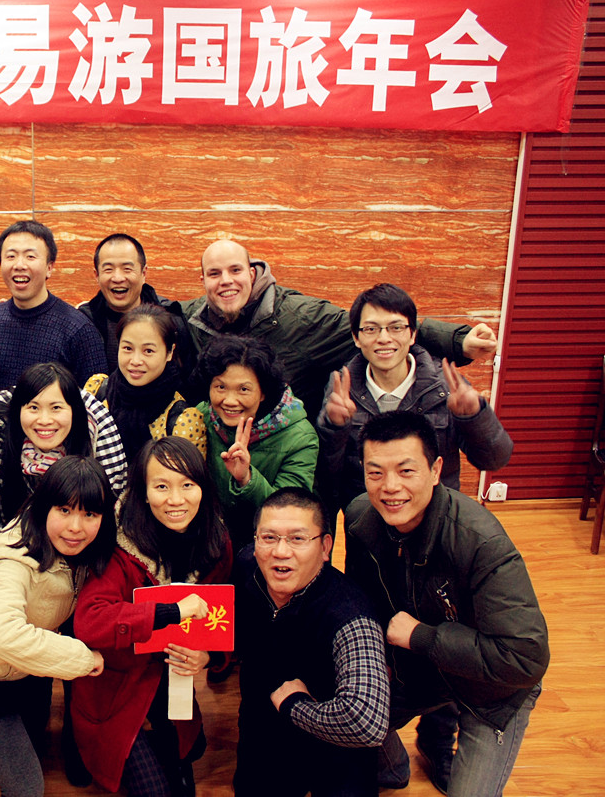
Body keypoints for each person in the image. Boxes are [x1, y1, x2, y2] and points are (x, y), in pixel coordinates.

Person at [344, 412, 548, 797]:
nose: (390, 487)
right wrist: (371, 662)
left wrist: (420, 637)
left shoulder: (480, 541)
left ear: (436, 470)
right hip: (419, 668)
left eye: (406, 471)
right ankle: (392, 769)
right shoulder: (360, 518)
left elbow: (524, 658)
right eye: (375, 473)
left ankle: (441, 743)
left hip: (491, 689)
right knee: (341, 708)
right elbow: (360, 602)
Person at [71, 436, 231, 797]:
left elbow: (224, 620)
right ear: (143, 493)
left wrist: (209, 657)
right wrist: (171, 611)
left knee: (189, 757)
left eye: (187, 485)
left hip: (172, 679)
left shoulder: (216, 542)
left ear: (203, 488)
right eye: (161, 486)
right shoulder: (118, 546)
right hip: (117, 684)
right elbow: (90, 622)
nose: (175, 499)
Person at [178, 239, 498, 418]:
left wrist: (459, 340)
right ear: (203, 280)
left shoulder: (302, 318)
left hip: (292, 449)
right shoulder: (191, 319)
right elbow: (155, 320)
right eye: (215, 274)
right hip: (220, 447)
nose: (226, 281)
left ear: (251, 272)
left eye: (235, 270)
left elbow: (375, 326)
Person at [0, 456, 116, 797]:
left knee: (36, 746)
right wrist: (83, 657)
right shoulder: (14, 558)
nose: (76, 527)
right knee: (27, 788)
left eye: (89, 514)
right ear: (44, 506)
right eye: (64, 510)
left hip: (32, 674)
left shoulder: (83, 547)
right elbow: (3, 636)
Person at [233, 488, 389, 797]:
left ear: (325, 546)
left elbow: (367, 723)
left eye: (297, 538)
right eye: (268, 537)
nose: (280, 551)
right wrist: (210, 656)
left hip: (334, 743)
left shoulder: (350, 614)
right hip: (263, 728)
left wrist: (295, 706)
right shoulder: (247, 570)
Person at [317, 282, 513, 511]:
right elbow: (327, 475)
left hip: (435, 515)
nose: (384, 338)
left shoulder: (444, 387)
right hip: (369, 517)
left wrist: (473, 417)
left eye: (396, 327)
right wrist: (335, 427)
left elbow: (494, 460)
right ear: (356, 337)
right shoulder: (341, 389)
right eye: (371, 329)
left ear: (412, 335)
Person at [0, 362, 127, 535]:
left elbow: (107, 516)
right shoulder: (0, 432)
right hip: (16, 539)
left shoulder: (95, 433)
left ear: (74, 411)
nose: (44, 420)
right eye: (33, 408)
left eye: (56, 408)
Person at [197, 334, 318, 547]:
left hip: (268, 547)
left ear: (263, 392)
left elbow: (291, 511)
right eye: (220, 387)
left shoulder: (300, 437)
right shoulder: (202, 417)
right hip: (209, 543)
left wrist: (247, 479)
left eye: (243, 389)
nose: (230, 401)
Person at [0, 220, 108, 390]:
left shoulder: (79, 329)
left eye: (30, 256)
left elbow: (95, 397)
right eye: (11, 256)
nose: (19, 265)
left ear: (49, 268)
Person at [84, 304, 208, 462]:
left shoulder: (183, 421)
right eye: (128, 348)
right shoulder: (96, 390)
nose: (135, 361)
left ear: (169, 352)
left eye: (148, 351)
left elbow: (187, 476)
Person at [78, 233, 190, 369]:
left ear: (144, 273)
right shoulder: (82, 322)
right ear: (96, 275)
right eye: (108, 269)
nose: (118, 278)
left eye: (127, 269)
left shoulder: (171, 319)